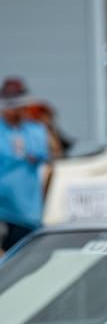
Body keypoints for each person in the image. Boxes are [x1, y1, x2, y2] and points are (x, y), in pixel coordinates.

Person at [0, 77, 50, 251]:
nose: (12, 110)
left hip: (27, 211)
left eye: (16, 105)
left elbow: (43, 154)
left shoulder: (35, 130)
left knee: (22, 257)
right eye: (8, 105)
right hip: (3, 211)